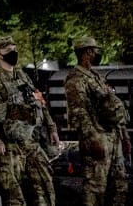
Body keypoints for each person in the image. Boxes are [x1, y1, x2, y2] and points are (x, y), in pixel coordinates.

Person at [0, 36, 59, 206]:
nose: (13, 53)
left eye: (14, 49)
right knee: (14, 197)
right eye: (8, 51)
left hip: (29, 140)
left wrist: (51, 128)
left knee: (45, 187)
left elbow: (39, 103)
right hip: (8, 145)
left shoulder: (23, 76)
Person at [65, 36, 130, 206]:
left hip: (113, 139)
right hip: (97, 139)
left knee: (119, 184)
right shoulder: (75, 79)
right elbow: (79, 113)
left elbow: (110, 107)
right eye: (95, 51)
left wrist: (124, 137)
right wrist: (93, 139)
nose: (97, 54)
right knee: (95, 187)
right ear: (87, 52)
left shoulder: (95, 76)